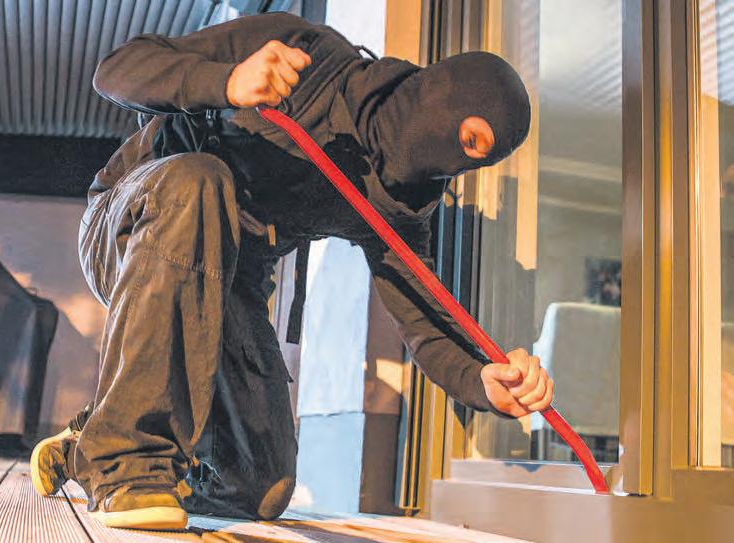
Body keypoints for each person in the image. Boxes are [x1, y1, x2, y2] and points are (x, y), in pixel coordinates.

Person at [29, 11, 550, 530]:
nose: (458, 165)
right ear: (438, 97)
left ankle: (91, 441)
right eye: (471, 142)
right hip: (131, 224)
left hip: (228, 286)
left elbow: (425, 327)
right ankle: (125, 464)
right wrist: (226, 82)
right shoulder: (306, 54)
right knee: (200, 180)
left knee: (261, 486)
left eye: (477, 162)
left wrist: (482, 381)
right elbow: (117, 69)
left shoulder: (393, 205)